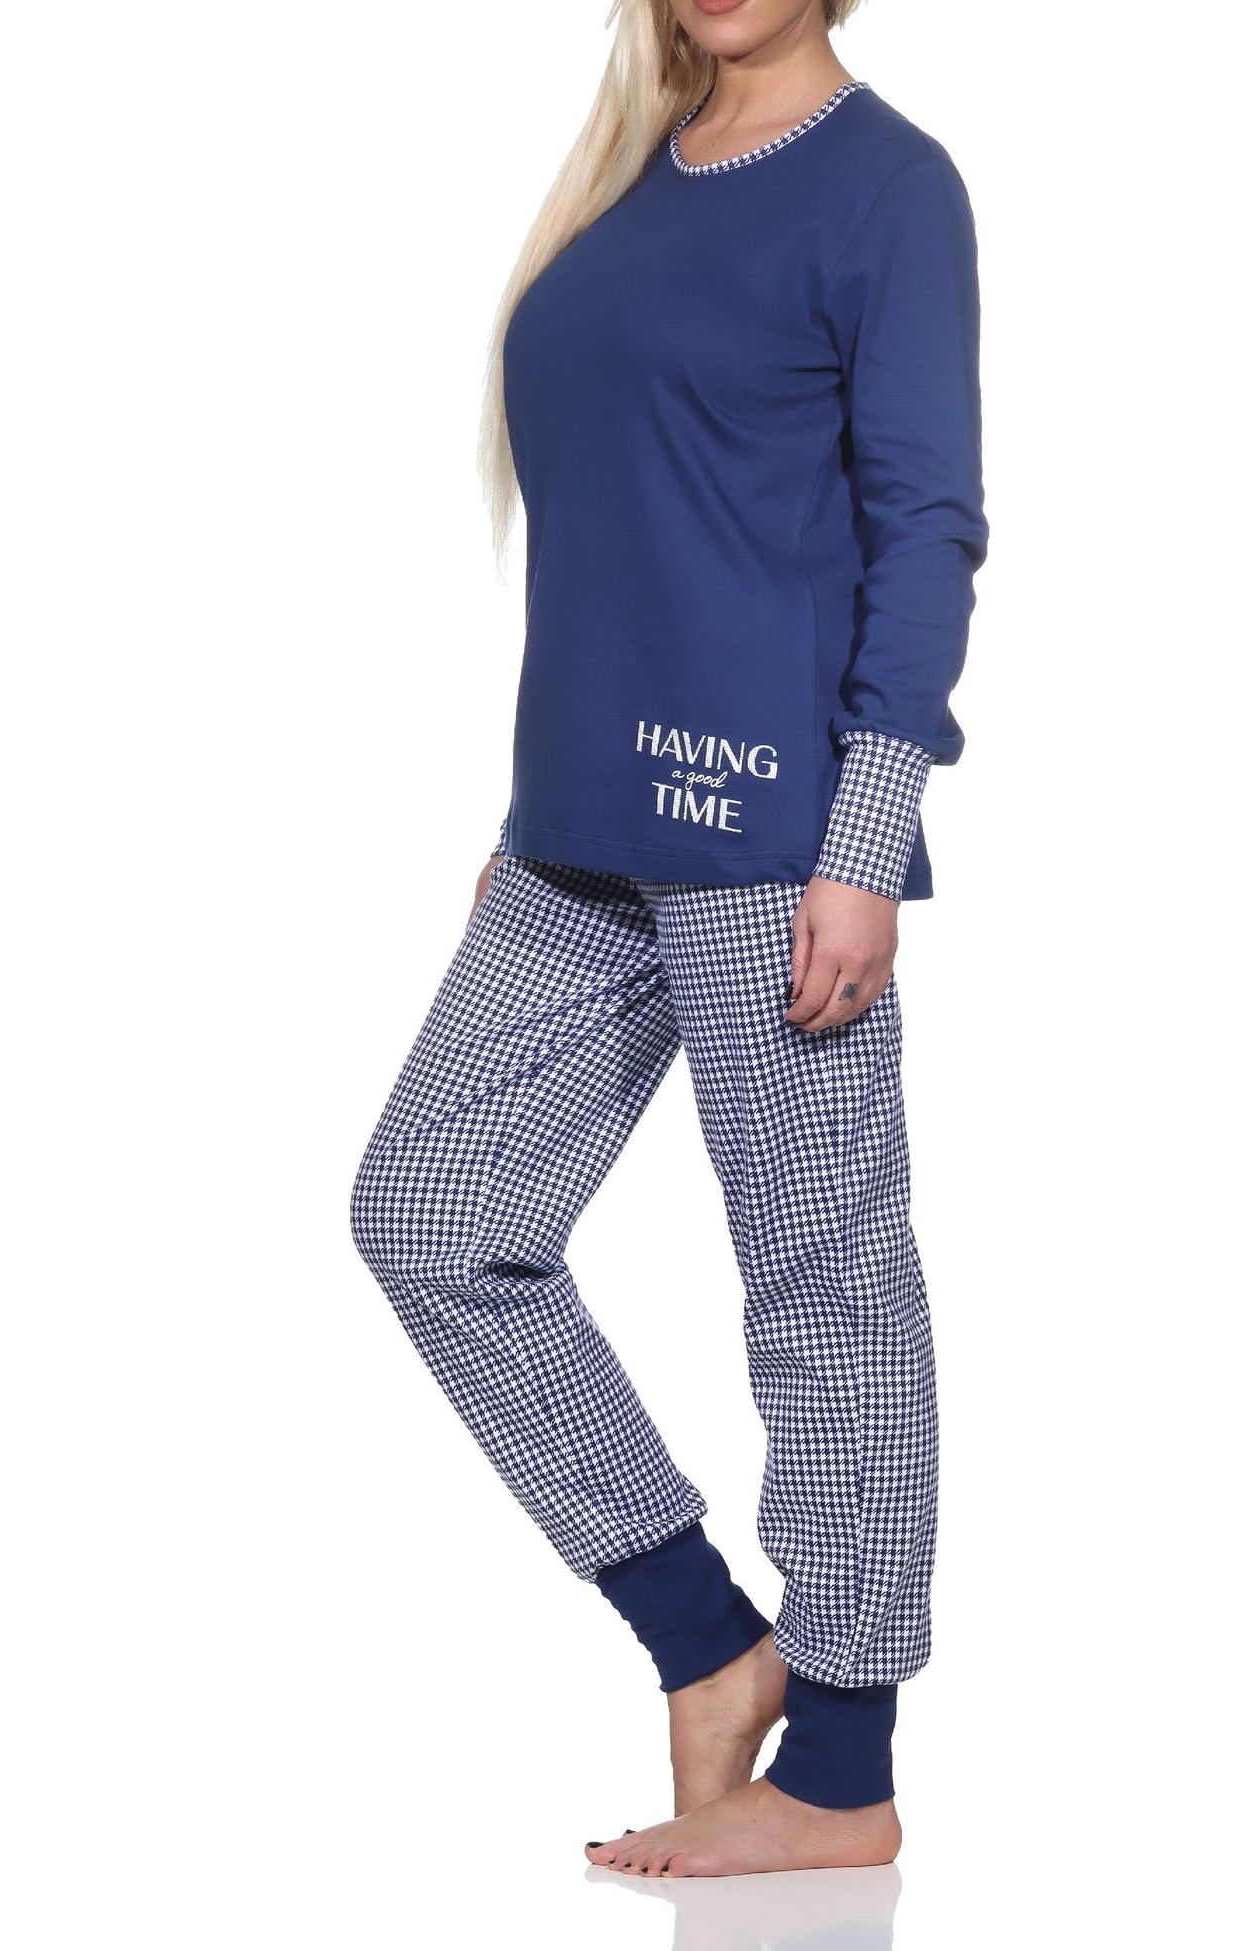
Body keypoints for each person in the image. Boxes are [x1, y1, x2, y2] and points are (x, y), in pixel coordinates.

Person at [351, 0, 985, 1878]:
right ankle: (709, 1644)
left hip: (774, 838)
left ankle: (844, 1766)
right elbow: (621, 535)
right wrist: (526, 816)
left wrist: (865, 842)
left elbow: (926, 527)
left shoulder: (887, 188)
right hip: (579, 839)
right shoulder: (629, 174)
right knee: (431, 1216)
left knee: (822, 1289)